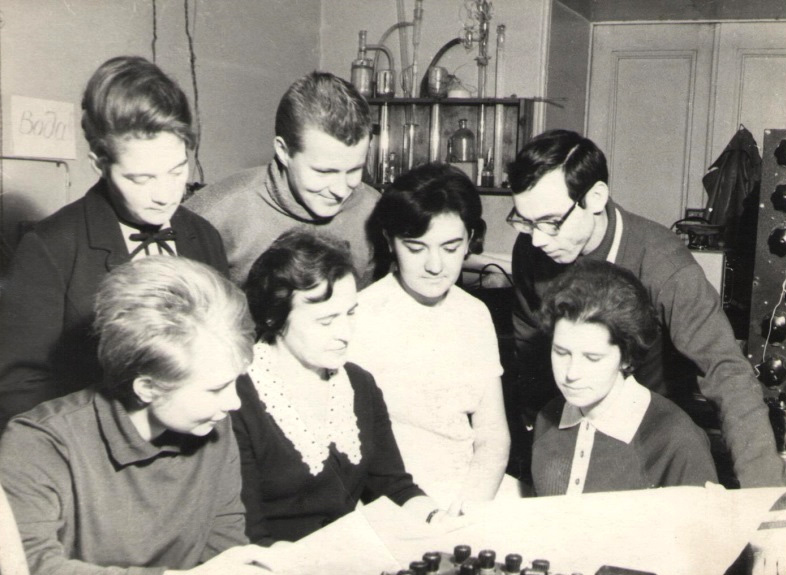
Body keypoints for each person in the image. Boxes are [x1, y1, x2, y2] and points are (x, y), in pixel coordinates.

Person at [507, 129, 784, 488]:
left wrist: (761, 491)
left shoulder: (663, 264)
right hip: (569, 429)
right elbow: (530, 354)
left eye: (550, 222)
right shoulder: (531, 250)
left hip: (650, 444)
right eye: (525, 221)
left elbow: (726, 370)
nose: (537, 239)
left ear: (595, 197)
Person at [0, 256, 276, 574]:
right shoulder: (38, 443)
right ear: (147, 388)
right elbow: (32, 567)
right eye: (216, 389)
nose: (234, 403)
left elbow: (223, 547)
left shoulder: (211, 424)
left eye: (235, 382)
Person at [0, 56, 228, 431]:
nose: (165, 194)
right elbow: (18, 389)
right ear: (99, 163)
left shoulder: (203, 236)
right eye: (141, 178)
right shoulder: (50, 247)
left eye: (177, 170)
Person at [234, 229, 446, 545]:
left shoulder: (359, 384)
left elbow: (392, 486)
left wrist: (436, 517)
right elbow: (246, 531)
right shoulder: (235, 397)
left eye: (350, 313)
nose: (345, 333)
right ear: (274, 317)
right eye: (326, 320)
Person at [350, 163, 512, 514]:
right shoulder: (358, 316)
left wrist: (470, 506)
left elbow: (492, 435)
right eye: (416, 248)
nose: (435, 266)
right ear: (390, 241)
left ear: (470, 239)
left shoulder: (474, 314)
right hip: (392, 500)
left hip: (471, 491)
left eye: (450, 248)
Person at [531, 259, 718, 495]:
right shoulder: (548, 418)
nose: (571, 373)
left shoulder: (676, 439)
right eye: (561, 352)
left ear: (627, 358)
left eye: (592, 358)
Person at [185, 71, 379, 288]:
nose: (341, 190)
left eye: (354, 170)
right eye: (324, 172)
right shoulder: (212, 214)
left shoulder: (375, 210)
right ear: (284, 151)